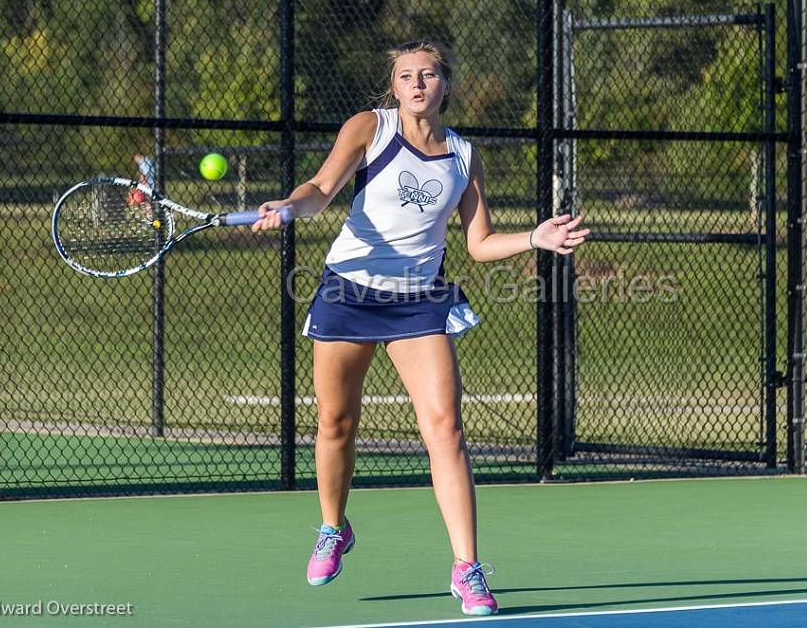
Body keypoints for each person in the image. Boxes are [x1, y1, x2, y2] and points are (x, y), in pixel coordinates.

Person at [252, 39, 589, 616]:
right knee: (336, 423)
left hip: (420, 302)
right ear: (394, 86)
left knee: (446, 428)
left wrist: (536, 237)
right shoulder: (369, 128)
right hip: (348, 292)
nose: (416, 84)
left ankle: (468, 569)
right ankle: (334, 527)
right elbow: (321, 189)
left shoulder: (463, 157)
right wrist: (289, 206)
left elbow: (479, 244)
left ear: (444, 85)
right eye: (406, 76)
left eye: (428, 75)